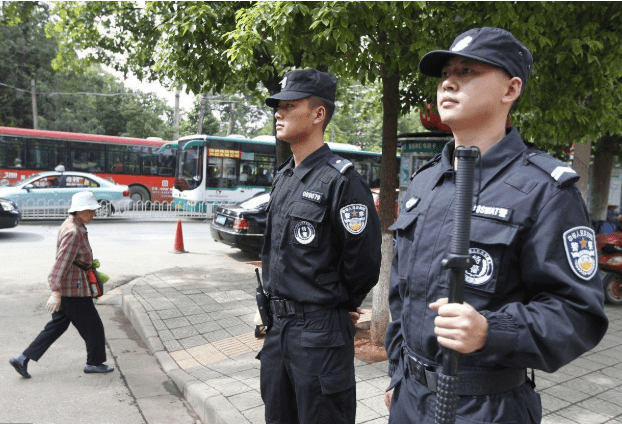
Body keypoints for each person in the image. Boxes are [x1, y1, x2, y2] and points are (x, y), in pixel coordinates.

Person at [384, 27, 608, 423]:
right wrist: (396, 374)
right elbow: (403, 294)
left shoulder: (545, 190)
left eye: (468, 71)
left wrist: (491, 331)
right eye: (445, 73)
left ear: (511, 90)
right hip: (409, 401)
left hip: (484, 407)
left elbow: (578, 313)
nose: (449, 82)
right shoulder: (425, 183)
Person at [259, 69, 382, 424]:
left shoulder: (341, 181)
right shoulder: (284, 177)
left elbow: (364, 263)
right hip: (278, 331)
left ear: (318, 114)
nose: (279, 113)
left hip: (319, 335)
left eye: (290, 105)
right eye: (278, 106)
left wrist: (337, 304)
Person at [9, 191, 114, 378]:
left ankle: (22, 358)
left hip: (71, 286)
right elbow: (61, 262)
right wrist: (55, 291)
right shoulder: (73, 232)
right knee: (94, 326)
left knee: (57, 326)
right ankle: (95, 363)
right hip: (73, 289)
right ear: (80, 211)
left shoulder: (73, 224)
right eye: (90, 210)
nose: (93, 214)